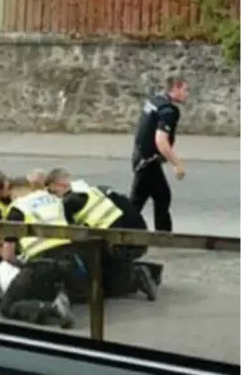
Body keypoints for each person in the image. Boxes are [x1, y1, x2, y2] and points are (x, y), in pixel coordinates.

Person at [46, 169, 156, 300]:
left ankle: (134, 275)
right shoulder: (91, 191)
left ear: (59, 185)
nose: (54, 197)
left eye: (52, 192)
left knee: (96, 275)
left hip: (117, 243)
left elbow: (64, 230)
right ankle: (139, 273)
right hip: (131, 237)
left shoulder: (70, 201)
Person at [0, 176, 77, 328]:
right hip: (71, 261)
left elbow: (7, 255)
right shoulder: (53, 199)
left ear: (13, 193)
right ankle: (60, 295)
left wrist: (21, 266)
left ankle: (52, 309)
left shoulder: (17, 208)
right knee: (39, 284)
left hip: (42, 263)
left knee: (7, 306)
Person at [130, 76, 188, 232]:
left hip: (141, 156)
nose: (187, 94)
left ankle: (161, 236)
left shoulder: (155, 101)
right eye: (185, 90)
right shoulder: (168, 111)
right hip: (148, 161)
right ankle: (123, 234)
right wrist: (177, 164)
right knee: (148, 200)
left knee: (152, 198)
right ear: (175, 88)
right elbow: (161, 141)